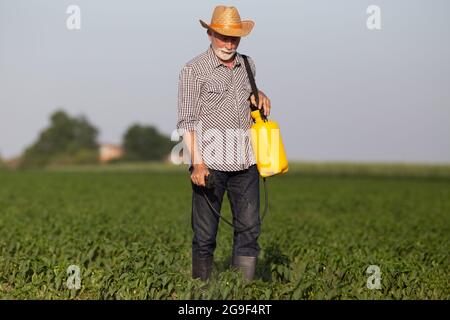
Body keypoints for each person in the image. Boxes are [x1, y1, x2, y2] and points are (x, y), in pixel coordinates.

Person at [176, 5, 271, 281]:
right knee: (205, 236)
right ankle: (201, 292)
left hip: (246, 162)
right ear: (210, 34)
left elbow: (249, 97)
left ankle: (242, 292)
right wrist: (197, 163)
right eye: (222, 37)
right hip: (210, 164)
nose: (229, 43)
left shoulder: (248, 64)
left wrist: (260, 95)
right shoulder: (193, 70)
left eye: (234, 38)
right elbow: (187, 121)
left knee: (250, 231)